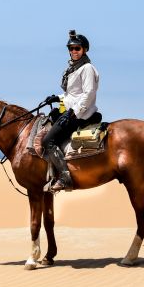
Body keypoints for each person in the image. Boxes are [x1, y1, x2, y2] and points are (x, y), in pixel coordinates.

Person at [41, 30, 101, 192]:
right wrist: (58, 98)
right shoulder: (74, 68)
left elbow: (88, 94)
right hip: (71, 110)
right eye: (71, 48)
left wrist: (72, 112)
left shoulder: (87, 68)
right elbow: (72, 95)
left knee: (47, 141)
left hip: (80, 114)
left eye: (77, 48)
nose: (74, 51)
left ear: (85, 49)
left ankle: (65, 177)